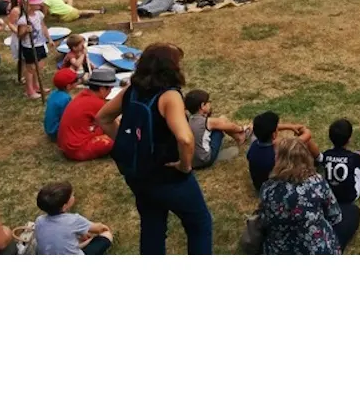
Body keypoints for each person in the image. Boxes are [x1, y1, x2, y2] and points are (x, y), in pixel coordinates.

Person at [93, 43, 213, 255]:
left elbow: (103, 117)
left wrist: (128, 144)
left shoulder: (131, 90)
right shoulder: (169, 96)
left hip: (138, 173)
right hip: (167, 175)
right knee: (199, 224)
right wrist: (185, 166)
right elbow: (185, 139)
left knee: (152, 226)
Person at [257, 136, 352, 254]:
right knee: (352, 212)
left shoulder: (267, 189)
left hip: (280, 250)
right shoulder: (317, 182)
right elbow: (335, 216)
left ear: (279, 160)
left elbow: (263, 221)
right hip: (317, 250)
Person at [246, 110, 321, 192]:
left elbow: (266, 129)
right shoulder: (279, 150)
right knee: (299, 148)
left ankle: (319, 159)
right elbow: (306, 136)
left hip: (260, 186)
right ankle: (320, 159)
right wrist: (306, 131)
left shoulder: (254, 144)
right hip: (275, 189)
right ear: (274, 134)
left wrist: (290, 126)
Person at [33, 181, 114, 255]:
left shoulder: (39, 220)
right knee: (106, 235)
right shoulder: (73, 220)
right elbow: (99, 228)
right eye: (71, 195)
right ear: (64, 206)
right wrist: (105, 229)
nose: (73, 196)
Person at [57, 66, 118, 161]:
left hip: (67, 144)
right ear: (102, 89)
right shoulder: (96, 103)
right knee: (118, 139)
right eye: (110, 89)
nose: (110, 92)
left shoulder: (84, 94)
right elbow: (113, 124)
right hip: (76, 149)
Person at [320, 118, 360, 210]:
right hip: (350, 197)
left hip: (330, 196)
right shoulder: (353, 157)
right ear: (349, 139)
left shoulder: (326, 154)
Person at [183, 89, 250, 170]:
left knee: (216, 125)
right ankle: (240, 138)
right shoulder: (206, 122)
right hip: (205, 160)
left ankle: (239, 138)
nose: (210, 104)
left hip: (192, 162)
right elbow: (230, 126)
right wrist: (242, 128)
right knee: (222, 121)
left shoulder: (189, 120)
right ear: (202, 106)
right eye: (208, 102)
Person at [10, 0, 49, 100]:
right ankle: (29, 90)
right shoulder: (23, 20)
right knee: (30, 68)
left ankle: (37, 86)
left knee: (39, 66)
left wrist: (49, 39)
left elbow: (43, 26)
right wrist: (26, 31)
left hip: (39, 43)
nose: (39, 5)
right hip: (29, 46)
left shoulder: (39, 14)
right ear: (28, 6)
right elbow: (20, 35)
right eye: (36, 3)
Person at [44, 68, 78, 142]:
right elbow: (68, 118)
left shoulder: (54, 93)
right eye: (76, 81)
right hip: (56, 132)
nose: (77, 82)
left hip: (49, 129)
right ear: (68, 86)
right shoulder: (65, 99)